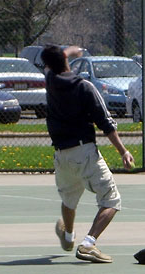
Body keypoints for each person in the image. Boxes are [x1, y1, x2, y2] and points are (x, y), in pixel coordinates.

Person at [41, 45, 134, 263]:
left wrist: (65, 54)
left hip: (61, 156)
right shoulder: (84, 87)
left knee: (69, 200)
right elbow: (106, 123)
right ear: (65, 60)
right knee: (111, 200)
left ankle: (68, 235)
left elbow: (52, 65)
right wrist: (123, 151)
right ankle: (88, 244)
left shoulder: (50, 83)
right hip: (84, 152)